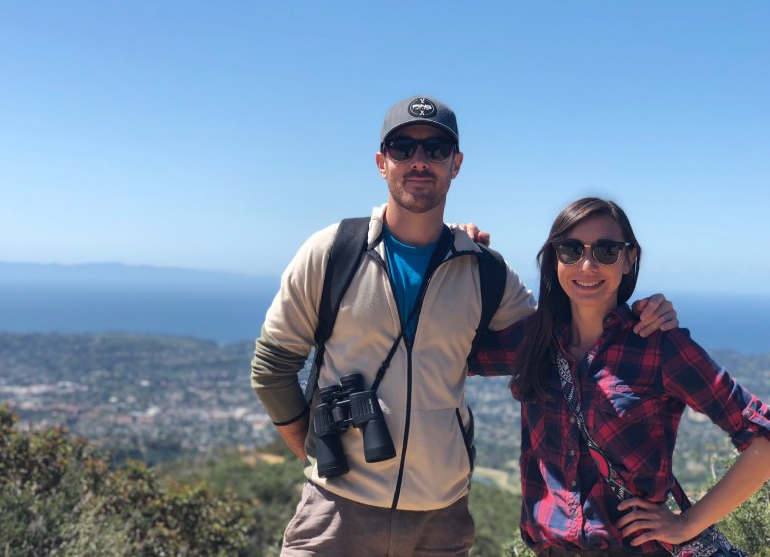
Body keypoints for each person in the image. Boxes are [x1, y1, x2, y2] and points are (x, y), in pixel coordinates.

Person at [251, 96, 677, 557]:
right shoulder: (333, 251)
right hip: (336, 512)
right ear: (381, 162)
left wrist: (636, 314)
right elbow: (272, 368)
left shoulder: (483, 270)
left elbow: (563, 335)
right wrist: (314, 452)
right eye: (403, 147)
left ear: (456, 164)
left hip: (441, 519)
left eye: (436, 149)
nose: (419, 161)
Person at [469, 197, 770, 556]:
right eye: (570, 250)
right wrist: (463, 253)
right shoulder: (534, 340)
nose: (587, 265)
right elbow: (450, 352)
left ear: (629, 259)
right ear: (554, 259)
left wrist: (687, 524)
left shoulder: (658, 346)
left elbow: (762, 437)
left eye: (607, 251)